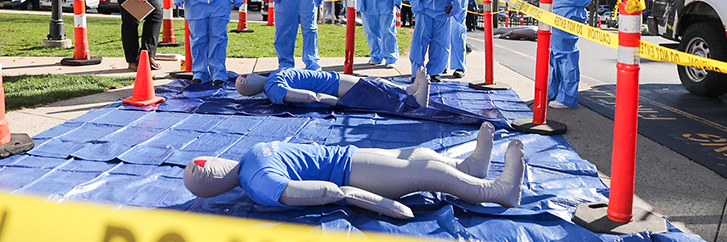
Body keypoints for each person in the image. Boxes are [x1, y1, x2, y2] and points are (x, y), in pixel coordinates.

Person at [184, 122, 525, 219]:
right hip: (351, 173)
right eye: (204, 167)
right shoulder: (259, 182)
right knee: (427, 171)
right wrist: (376, 202)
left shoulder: (252, 158)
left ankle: (471, 167)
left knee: (419, 153)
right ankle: (496, 192)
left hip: (347, 157)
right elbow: (324, 192)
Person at [235, 66, 430, 108]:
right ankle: (415, 102)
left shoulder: (275, 75)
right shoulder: (273, 87)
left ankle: (407, 91)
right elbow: (307, 96)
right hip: (333, 86)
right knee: (371, 88)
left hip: (332, 79)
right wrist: (334, 102)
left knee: (375, 82)